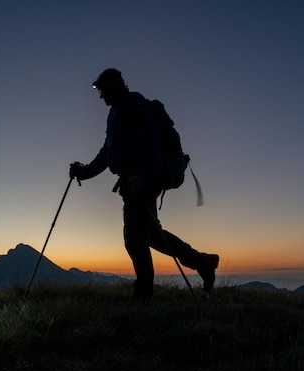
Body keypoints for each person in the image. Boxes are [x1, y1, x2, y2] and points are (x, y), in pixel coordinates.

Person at [69, 68, 219, 301]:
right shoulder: (115, 114)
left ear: (114, 86)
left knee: (134, 237)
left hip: (141, 181)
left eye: (101, 90)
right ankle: (203, 262)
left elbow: (152, 141)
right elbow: (107, 153)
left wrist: (142, 177)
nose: (100, 96)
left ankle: (143, 295)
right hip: (134, 181)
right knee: (150, 235)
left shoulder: (134, 103)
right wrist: (84, 172)